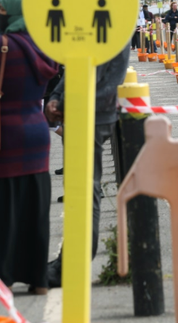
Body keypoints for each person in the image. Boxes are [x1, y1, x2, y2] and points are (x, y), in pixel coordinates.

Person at [0, 0, 58, 294]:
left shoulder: (0, 46)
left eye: (2, 9)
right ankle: (37, 279)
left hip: (2, 134)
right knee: (35, 207)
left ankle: (1, 276)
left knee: (1, 209)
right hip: (37, 133)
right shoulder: (45, 46)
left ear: (12, 13)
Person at [45, 45, 130, 287]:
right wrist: (56, 97)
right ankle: (69, 260)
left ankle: (74, 264)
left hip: (93, 112)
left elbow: (102, 75)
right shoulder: (92, 22)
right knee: (79, 186)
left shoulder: (114, 25)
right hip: (83, 108)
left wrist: (63, 100)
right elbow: (76, 66)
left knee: (84, 187)